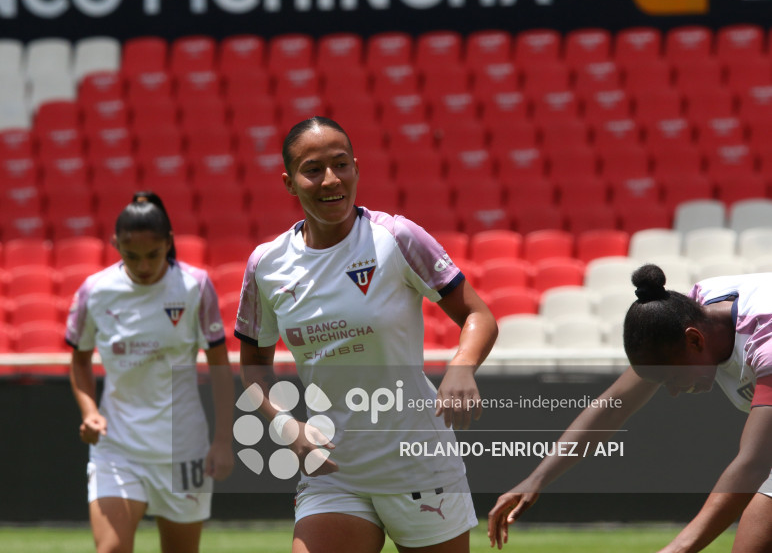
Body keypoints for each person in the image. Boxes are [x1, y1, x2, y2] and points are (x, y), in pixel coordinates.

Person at [235, 116, 498, 553]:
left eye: (341, 164)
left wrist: (462, 366)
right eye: (313, 169)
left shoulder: (395, 237)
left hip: (418, 463)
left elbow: (478, 315)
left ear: (356, 168)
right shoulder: (266, 265)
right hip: (333, 470)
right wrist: (285, 425)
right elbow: (254, 370)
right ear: (289, 182)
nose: (331, 179)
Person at [488, 264, 772, 553]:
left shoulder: (766, 338)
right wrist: (535, 479)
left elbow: (754, 463)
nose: (674, 392)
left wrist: (676, 549)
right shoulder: (685, 318)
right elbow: (613, 407)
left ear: (695, 340)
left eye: (672, 378)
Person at [67, 191, 235, 553]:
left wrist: (223, 439)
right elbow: (80, 360)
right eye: (131, 256)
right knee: (110, 549)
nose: (143, 266)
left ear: (169, 243)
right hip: (118, 447)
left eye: (153, 255)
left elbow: (220, 366)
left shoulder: (195, 287)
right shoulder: (94, 292)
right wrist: (90, 412)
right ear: (115, 245)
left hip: (184, 449)